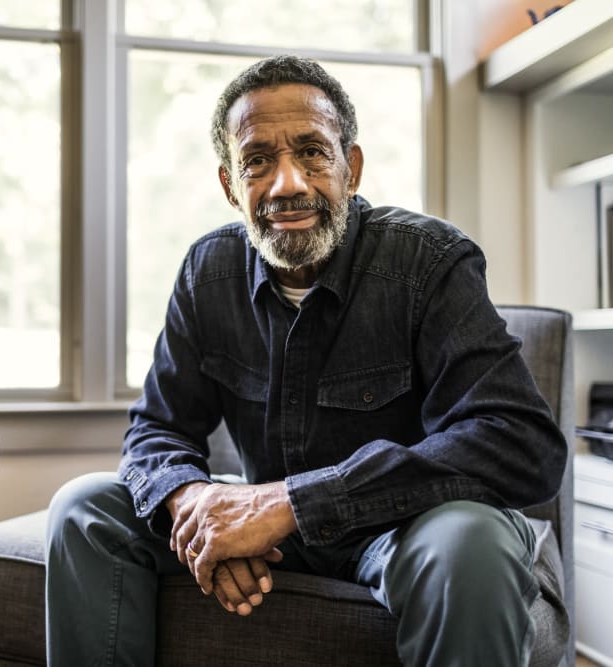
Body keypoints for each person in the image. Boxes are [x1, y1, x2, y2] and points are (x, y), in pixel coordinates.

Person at [45, 55, 567, 666]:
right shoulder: (206, 272)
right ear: (229, 186)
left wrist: (288, 504)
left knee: (473, 540)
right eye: (258, 160)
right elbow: (157, 429)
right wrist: (196, 506)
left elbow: (521, 443)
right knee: (84, 508)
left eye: (313, 152)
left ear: (352, 166)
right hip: (267, 535)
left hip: (404, 529)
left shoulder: (430, 261)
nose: (287, 183)